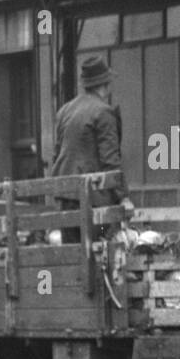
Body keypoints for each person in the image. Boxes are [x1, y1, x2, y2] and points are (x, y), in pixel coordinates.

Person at [51, 55, 129, 241]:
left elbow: (57, 153)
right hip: (94, 197)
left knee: (74, 254)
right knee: (100, 252)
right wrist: (123, 197)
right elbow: (110, 160)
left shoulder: (65, 110)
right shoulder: (103, 111)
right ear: (106, 84)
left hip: (66, 194)